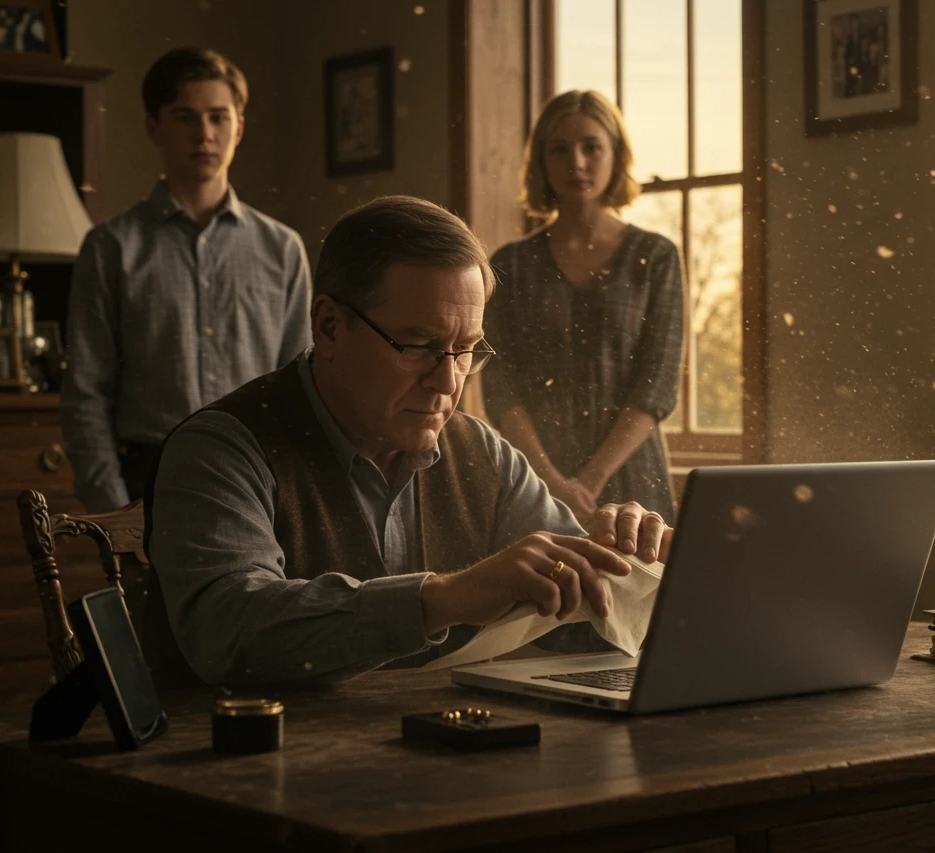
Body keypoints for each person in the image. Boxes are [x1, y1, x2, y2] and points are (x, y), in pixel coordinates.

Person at [143, 196, 674, 687]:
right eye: (419, 346)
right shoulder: (220, 449)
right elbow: (228, 633)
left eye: (466, 350)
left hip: (437, 765)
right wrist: (443, 599)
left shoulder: (482, 454)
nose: (448, 383)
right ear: (328, 326)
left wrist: (642, 563)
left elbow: (584, 596)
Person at [62, 48, 312, 513]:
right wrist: (114, 511)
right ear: (153, 127)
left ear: (238, 127)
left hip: (260, 475)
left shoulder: (282, 250)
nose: (204, 134)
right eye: (185, 117)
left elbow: (300, 388)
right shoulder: (111, 247)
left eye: (219, 117)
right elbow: (86, 391)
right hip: (147, 476)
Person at [481, 90, 684, 532]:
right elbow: (500, 385)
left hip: (632, 475)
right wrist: (551, 480)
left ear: (616, 154)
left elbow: (656, 384)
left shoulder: (655, 256)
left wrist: (587, 482)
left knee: (641, 596)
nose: (577, 162)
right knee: (542, 597)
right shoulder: (510, 265)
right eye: (560, 149)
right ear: (541, 162)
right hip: (533, 478)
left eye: (591, 146)